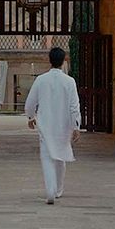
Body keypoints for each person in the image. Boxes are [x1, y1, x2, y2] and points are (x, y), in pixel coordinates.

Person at [24, 47, 81, 205]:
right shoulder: (69, 82)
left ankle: (50, 190)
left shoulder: (41, 80)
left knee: (47, 157)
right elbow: (74, 106)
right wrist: (76, 126)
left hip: (46, 125)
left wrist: (30, 117)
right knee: (60, 157)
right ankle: (58, 189)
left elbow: (30, 102)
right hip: (64, 125)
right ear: (64, 61)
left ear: (49, 60)